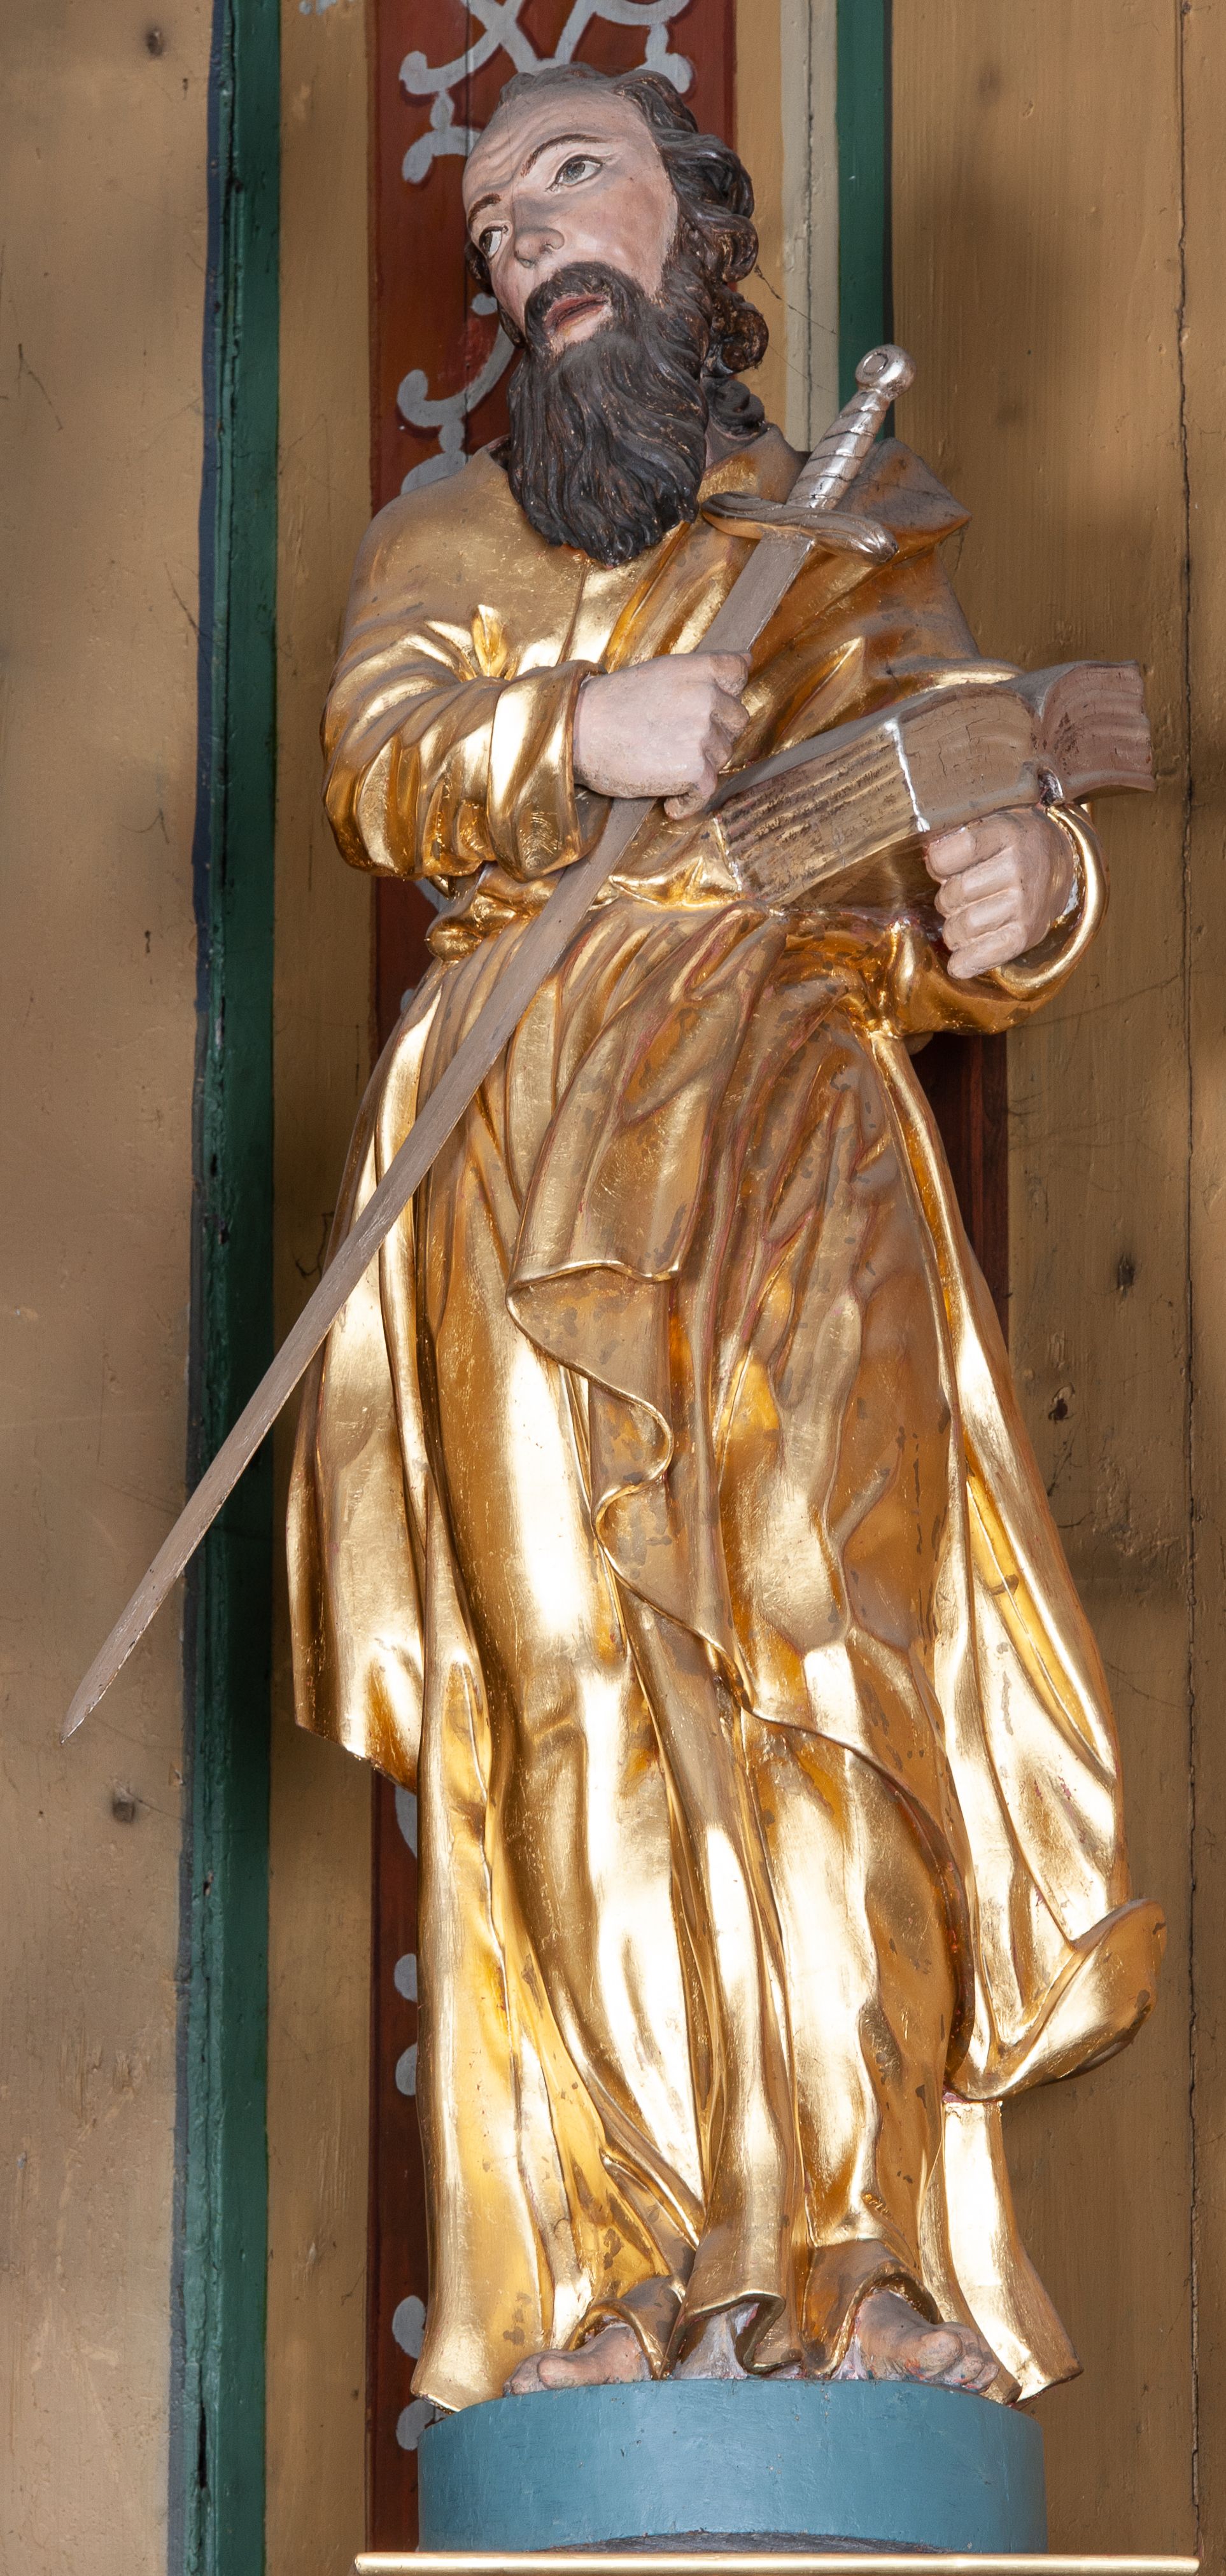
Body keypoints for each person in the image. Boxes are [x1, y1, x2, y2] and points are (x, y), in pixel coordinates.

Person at [288, 62, 1163, 2416]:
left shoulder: (852, 533)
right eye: (491, 220)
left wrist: (1017, 888)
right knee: (570, 1688)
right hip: (524, 1131)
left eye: (567, 179)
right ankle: (629, 2265)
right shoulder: (453, 527)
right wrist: (582, 728)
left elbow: (957, 796)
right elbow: (379, 757)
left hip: (790, 1117)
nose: (521, 242)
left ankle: (853, 2254)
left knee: (827, 1652)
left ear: (696, 225)